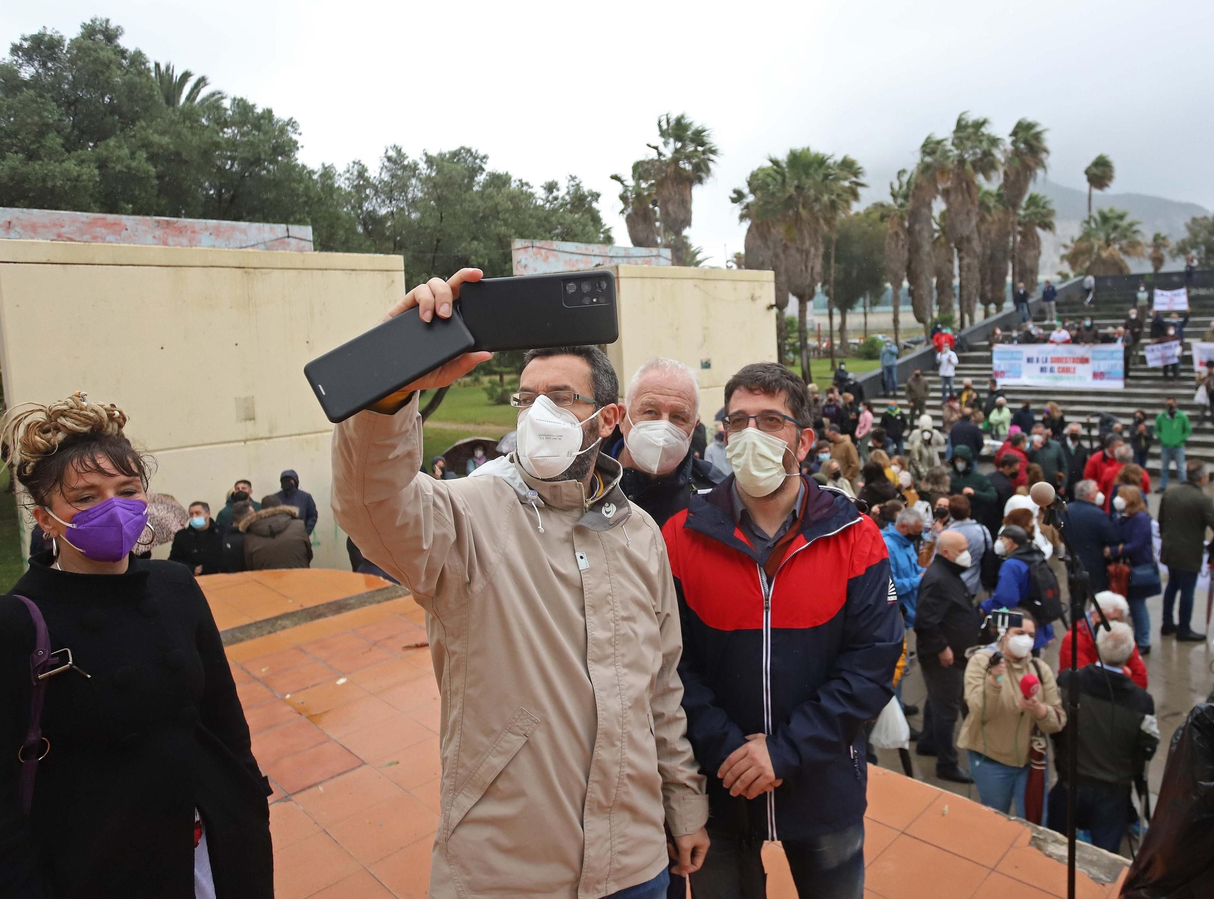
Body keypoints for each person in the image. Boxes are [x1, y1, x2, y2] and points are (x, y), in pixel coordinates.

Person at [331, 270, 710, 897]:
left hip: (636, 861)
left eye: (561, 398)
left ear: (609, 418)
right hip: (505, 869)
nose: (538, 414)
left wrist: (684, 804)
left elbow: (660, 689)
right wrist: (388, 388)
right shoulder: (470, 513)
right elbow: (374, 504)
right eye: (526, 398)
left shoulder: (638, 533)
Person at [0, 393, 274, 897]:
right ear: (46, 518)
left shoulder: (175, 585)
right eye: (86, 497)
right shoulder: (3, 629)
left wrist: (248, 798)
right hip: (99, 869)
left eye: (127, 489)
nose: (114, 508)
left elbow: (223, 717)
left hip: (217, 849)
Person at [665, 364, 901, 897]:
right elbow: (670, 664)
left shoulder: (855, 537)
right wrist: (727, 747)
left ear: (806, 439)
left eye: (772, 420)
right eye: (739, 420)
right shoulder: (681, 535)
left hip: (822, 784)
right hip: (719, 783)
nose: (752, 434)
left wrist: (785, 751)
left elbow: (874, 662)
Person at [1048, 622, 1158, 853]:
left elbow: (1055, 728)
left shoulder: (1068, 681)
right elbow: (1147, 748)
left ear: (1097, 646)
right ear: (1130, 653)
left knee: (1054, 852)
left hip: (1069, 784)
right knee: (1105, 862)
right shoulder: (1141, 702)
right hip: (1112, 794)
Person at [959, 611, 1066, 816]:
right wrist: (993, 683)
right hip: (992, 762)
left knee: (1034, 825)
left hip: (1030, 764)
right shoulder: (982, 662)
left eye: (1031, 635)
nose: (1026, 639)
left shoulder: (1040, 669)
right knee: (995, 823)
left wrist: (1040, 710)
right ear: (1003, 634)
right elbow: (981, 713)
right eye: (1020, 632)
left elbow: (1057, 721)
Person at [616, 357, 723, 527]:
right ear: (622, 418)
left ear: (694, 427)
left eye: (678, 417)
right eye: (650, 412)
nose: (663, 427)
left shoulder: (716, 494)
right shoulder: (588, 485)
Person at [916, 530, 984, 783]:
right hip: (943, 658)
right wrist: (942, 648)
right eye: (962, 549)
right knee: (947, 710)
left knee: (937, 700)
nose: (967, 554)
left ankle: (928, 742)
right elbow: (925, 621)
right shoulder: (938, 579)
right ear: (946, 552)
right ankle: (947, 763)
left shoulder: (949, 573)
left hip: (952, 654)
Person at [1159, 460, 1214, 642]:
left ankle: (1167, 623)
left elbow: (1161, 521)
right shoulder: (1202, 500)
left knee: (1172, 585)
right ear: (1202, 478)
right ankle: (1184, 629)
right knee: (1187, 591)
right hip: (1189, 553)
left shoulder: (1169, 493)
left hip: (1169, 549)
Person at [1059, 591, 1148, 687]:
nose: (1117, 626)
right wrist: (1125, 674)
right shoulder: (1074, 639)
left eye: (1120, 621)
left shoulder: (1121, 635)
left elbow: (1141, 679)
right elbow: (1084, 683)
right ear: (1095, 616)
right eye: (1113, 620)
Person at [1113, 484, 1159, 652]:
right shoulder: (1122, 516)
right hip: (1127, 566)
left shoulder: (1141, 518)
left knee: (1137, 605)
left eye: (1122, 496)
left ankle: (1144, 641)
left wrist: (1115, 550)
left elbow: (1137, 544)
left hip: (1138, 567)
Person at [1066, 480, 1122, 593]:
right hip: (1095, 565)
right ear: (1089, 495)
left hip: (1072, 563)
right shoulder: (1098, 514)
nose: (1099, 494)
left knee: (1076, 601)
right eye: (1097, 491)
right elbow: (1112, 538)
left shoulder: (1066, 510)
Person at [942, 490, 992, 595]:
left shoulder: (946, 535)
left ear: (950, 512)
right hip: (975, 585)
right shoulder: (982, 531)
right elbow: (989, 550)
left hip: (952, 587)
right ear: (969, 511)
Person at [885, 507, 927, 632]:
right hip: (898, 616)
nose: (918, 537)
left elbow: (914, 568)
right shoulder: (887, 547)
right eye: (915, 533)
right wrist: (919, 579)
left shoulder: (907, 543)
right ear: (903, 527)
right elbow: (891, 586)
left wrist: (926, 572)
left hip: (912, 611)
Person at [237, 502, 313, 569]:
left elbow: (249, 565)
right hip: (299, 578)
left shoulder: (250, 535)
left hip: (266, 581)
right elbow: (309, 554)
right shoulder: (299, 525)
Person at [168, 500, 224, 575]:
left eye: (198, 513)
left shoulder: (222, 532)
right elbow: (173, 561)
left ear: (208, 514)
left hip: (219, 577)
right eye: (191, 514)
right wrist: (191, 569)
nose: (194, 517)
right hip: (194, 578)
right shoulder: (182, 536)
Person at [259, 469, 317, 535]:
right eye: (284, 480)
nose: (286, 482)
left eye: (289, 480)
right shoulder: (274, 498)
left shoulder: (306, 497)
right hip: (279, 537)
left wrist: (306, 532)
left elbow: (312, 516)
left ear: (295, 482)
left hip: (300, 535)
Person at [1155, 397, 1192, 492]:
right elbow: (1157, 429)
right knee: (1164, 467)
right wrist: (1162, 438)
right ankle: (1162, 486)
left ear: (1176, 404)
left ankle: (1183, 486)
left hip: (1178, 446)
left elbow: (1188, 430)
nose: (1170, 406)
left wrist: (1181, 439)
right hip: (1165, 446)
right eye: (1168, 404)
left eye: (1171, 404)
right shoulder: (1161, 417)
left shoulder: (1182, 416)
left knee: (1180, 468)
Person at [1195, 360, 1214, 424]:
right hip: (1204, 392)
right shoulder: (1203, 373)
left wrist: (1212, 374)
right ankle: (1201, 420)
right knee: (1203, 408)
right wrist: (1203, 379)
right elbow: (1198, 381)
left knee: (1213, 407)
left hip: (1213, 392)